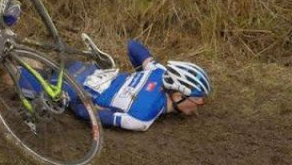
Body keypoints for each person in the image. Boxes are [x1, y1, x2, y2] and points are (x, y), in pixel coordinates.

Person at [19, 37, 212, 131]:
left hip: (82, 67)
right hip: (72, 87)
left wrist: (143, 69)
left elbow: (133, 45)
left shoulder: (158, 72)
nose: (200, 105)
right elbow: (91, 115)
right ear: (178, 95)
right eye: (198, 99)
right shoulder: (142, 119)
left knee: (29, 63)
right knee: (13, 76)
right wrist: (76, 103)